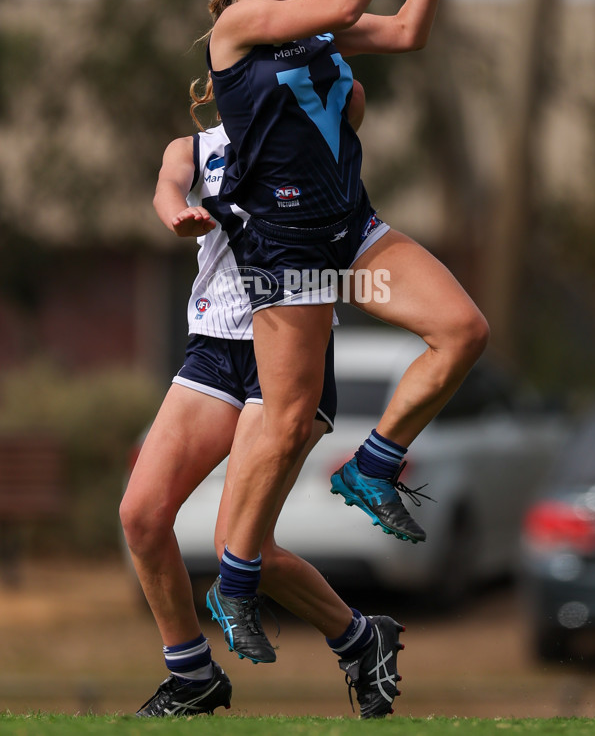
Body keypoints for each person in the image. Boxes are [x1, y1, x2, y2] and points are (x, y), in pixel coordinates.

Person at [191, 0, 490, 659]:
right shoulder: (239, 26)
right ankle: (235, 582)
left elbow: (407, 32)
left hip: (350, 228)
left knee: (462, 331)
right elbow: (344, 2)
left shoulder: (315, 31)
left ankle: (374, 465)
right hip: (286, 252)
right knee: (288, 425)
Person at [119, 87, 405, 720]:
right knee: (141, 515)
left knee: (239, 546)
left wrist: (320, 46)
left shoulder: (311, 129)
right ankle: (192, 672)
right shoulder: (194, 148)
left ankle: (359, 638)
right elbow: (168, 188)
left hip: (290, 352)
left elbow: (353, 96)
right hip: (214, 347)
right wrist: (176, 213)